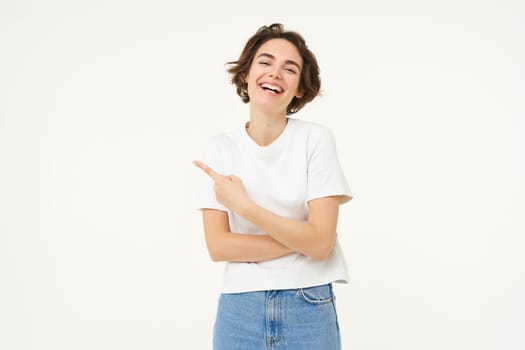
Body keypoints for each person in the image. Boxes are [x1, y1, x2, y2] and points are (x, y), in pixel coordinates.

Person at [193, 23, 353, 350]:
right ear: (245, 75)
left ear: (299, 89)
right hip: (240, 309)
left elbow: (321, 244)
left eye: (289, 68)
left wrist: (246, 208)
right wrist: (304, 240)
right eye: (265, 62)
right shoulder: (219, 148)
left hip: (308, 304)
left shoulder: (316, 139)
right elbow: (219, 247)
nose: (275, 73)